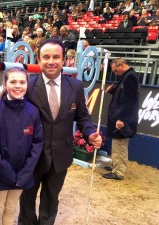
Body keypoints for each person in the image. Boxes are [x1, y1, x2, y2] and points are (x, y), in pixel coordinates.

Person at [18, 38, 102, 225]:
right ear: (38, 60)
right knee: (27, 201)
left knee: (51, 201)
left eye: (56, 57)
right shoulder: (27, 86)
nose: (51, 61)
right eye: (46, 57)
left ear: (64, 60)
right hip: (31, 157)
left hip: (61, 156)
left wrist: (89, 133)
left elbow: (83, 117)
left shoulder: (76, 86)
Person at [0, 67, 44, 225]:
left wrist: (25, 172)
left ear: (27, 84)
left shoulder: (32, 111)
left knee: (11, 208)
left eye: (22, 82)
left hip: (22, 172)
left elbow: (38, 142)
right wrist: (8, 173)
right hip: (1, 172)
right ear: (5, 84)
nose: (18, 86)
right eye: (13, 82)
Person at [103, 58, 139, 180]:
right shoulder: (125, 77)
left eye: (115, 70)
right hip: (118, 116)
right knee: (116, 143)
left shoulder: (130, 77)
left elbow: (130, 101)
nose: (115, 73)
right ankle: (115, 165)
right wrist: (113, 90)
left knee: (120, 144)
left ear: (121, 64)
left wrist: (122, 119)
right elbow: (122, 95)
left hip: (123, 119)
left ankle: (118, 172)